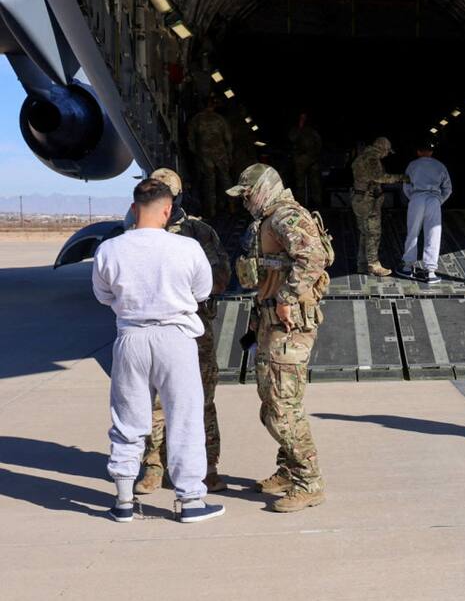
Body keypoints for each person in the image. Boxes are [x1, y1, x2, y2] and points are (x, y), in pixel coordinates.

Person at [92, 179, 224, 523]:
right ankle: (190, 500)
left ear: (134, 208)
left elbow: (103, 296)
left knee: (128, 418)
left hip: (131, 338)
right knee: (185, 416)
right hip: (175, 338)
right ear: (167, 210)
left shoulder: (110, 249)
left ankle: (122, 499)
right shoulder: (187, 248)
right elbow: (202, 291)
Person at [226, 164, 332, 513]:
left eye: (247, 195)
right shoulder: (270, 219)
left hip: (289, 326)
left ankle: (309, 481)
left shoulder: (286, 216)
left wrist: (287, 297)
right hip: (270, 321)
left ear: (264, 188)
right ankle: (289, 469)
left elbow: (313, 257)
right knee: (271, 402)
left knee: (283, 408)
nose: (245, 202)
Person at [122, 169, 231, 495]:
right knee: (153, 404)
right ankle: (154, 466)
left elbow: (220, 279)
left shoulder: (198, 232)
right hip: (151, 331)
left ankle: (207, 467)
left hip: (193, 330)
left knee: (201, 401)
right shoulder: (133, 233)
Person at [351, 137, 406, 276]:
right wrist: (401, 178)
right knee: (374, 233)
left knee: (365, 232)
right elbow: (380, 177)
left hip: (360, 198)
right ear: (383, 149)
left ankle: (362, 264)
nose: (387, 155)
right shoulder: (372, 158)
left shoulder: (362, 157)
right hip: (368, 200)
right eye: (387, 151)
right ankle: (373, 265)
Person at [401, 139, 452, 284]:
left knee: (413, 232)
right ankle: (430, 272)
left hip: (417, 198)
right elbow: (448, 188)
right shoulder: (440, 165)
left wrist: (414, 198)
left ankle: (408, 266)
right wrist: (438, 200)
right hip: (434, 199)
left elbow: (406, 185)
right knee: (433, 233)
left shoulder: (412, 165)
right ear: (431, 151)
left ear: (418, 152)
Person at [186, 97, 234, 219]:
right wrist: (229, 154)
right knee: (226, 180)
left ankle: (211, 211)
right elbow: (228, 138)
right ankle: (232, 205)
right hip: (220, 154)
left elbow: (190, 140)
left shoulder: (196, 120)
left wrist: (197, 154)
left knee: (209, 183)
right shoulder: (220, 119)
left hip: (205, 156)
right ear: (214, 106)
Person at [288, 112, 323, 208]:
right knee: (300, 183)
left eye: (305, 117)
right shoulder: (295, 130)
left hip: (312, 158)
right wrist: (300, 127)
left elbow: (319, 142)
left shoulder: (312, 130)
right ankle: (301, 203)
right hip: (300, 159)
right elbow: (292, 139)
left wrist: (316, 155)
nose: (303, 118)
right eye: (301, 117)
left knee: (315, 182)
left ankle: (317, 202)